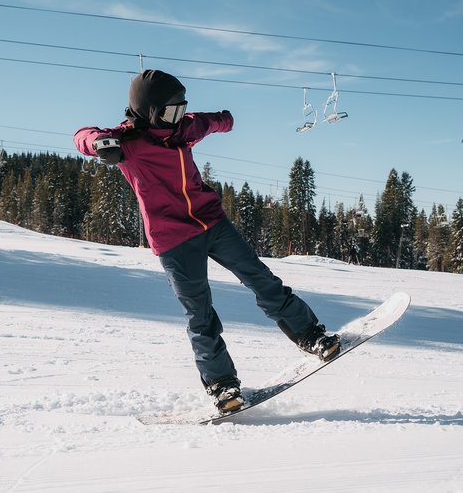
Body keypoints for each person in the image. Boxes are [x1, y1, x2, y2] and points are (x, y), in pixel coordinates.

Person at [74, 69, 339, 414]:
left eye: (181, 110)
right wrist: (98, 144)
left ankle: (311, 335)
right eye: (170, 112)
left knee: (262, 280)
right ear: (149, 111)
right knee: (200, 315)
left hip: (211, 221)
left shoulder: (183, 128)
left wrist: (225, 120)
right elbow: (83, 135)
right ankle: (222, 386)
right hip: (173, 240)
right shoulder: (127, 142)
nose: (179, 118)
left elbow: (211, 120)